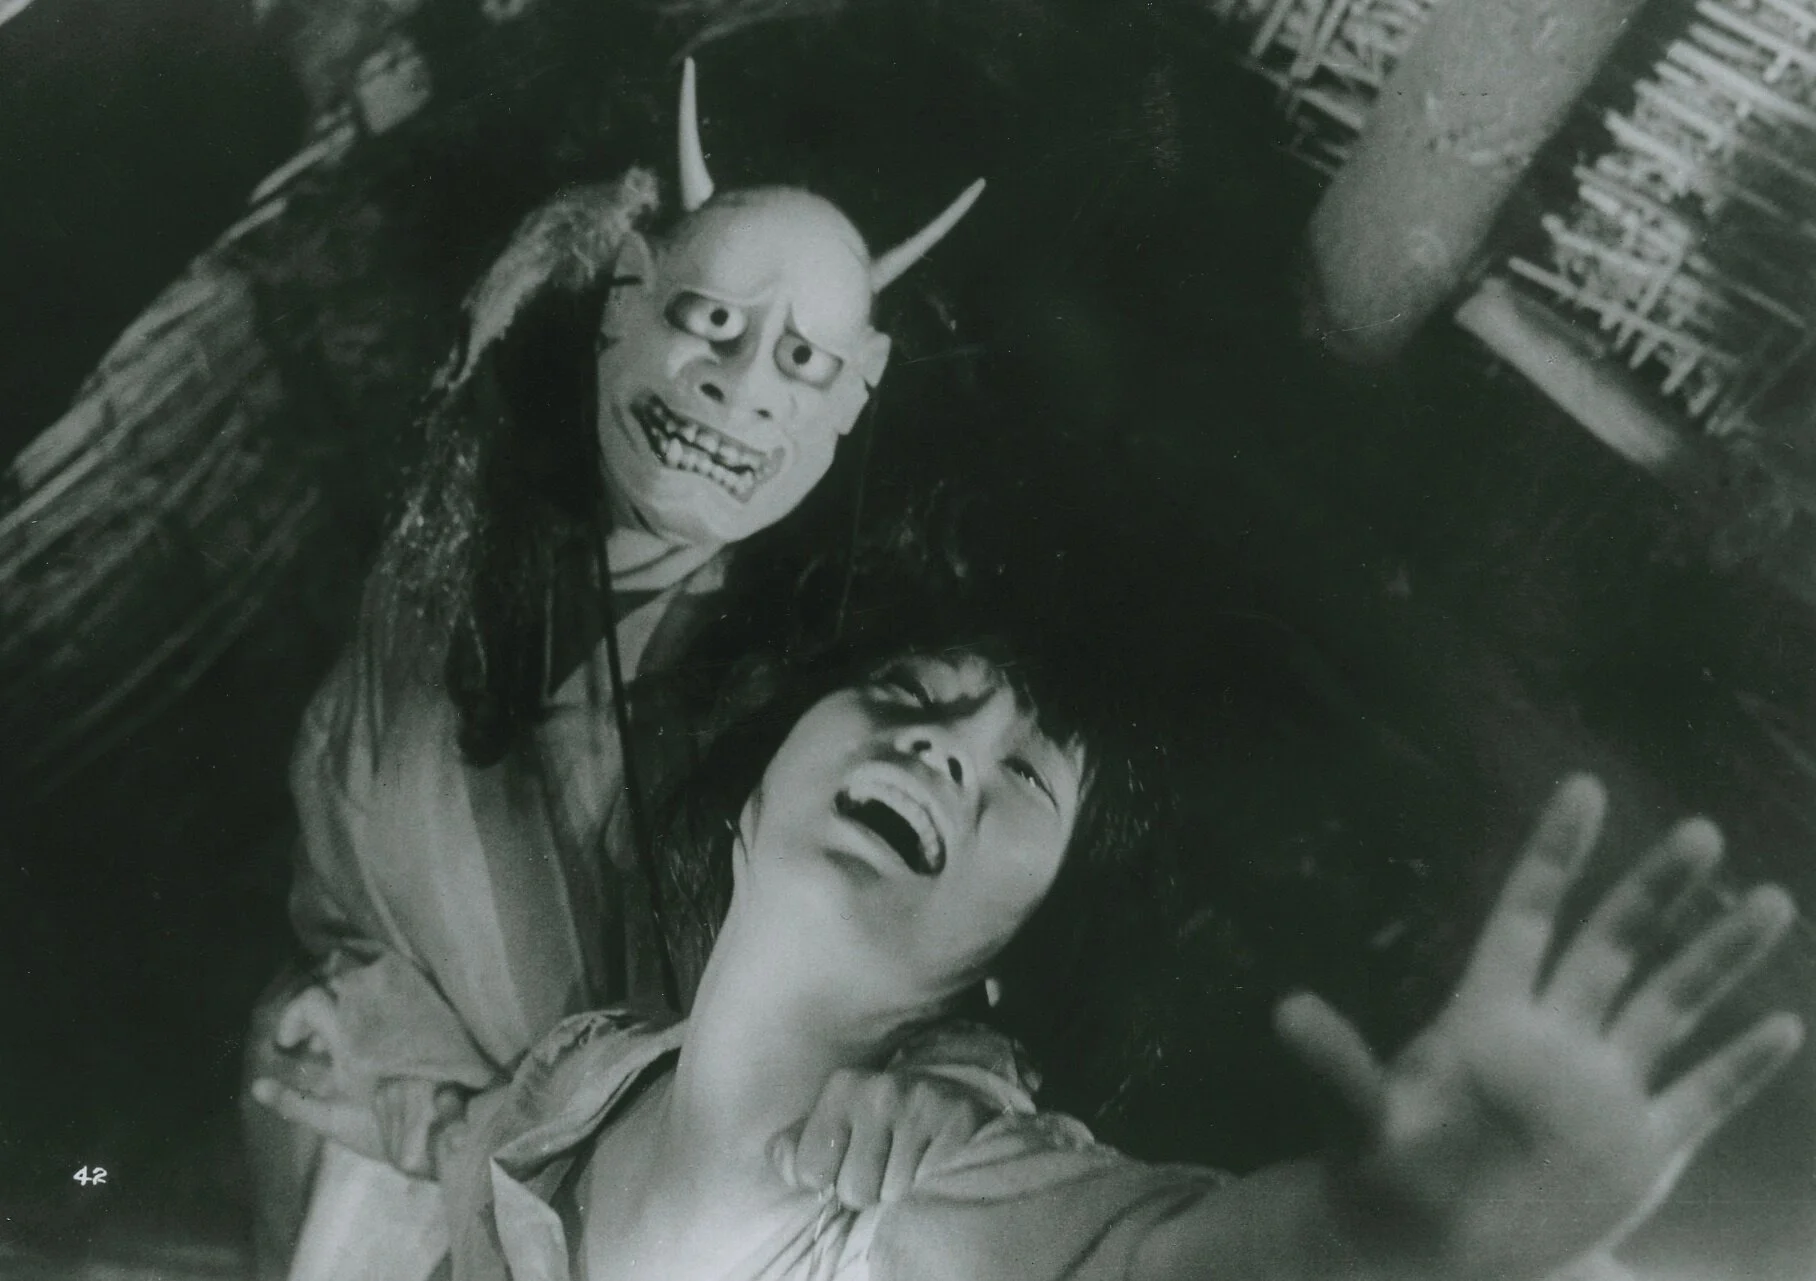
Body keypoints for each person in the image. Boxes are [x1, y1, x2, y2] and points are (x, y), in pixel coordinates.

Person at [255, 556, 1805, 1281]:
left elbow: (1158, 1262)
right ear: (749, 801)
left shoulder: (932, 1195)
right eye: (911, 694)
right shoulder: (588, 1071)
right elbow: (475, 1153)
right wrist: (371, 1084)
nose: (943, 748)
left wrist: (1397, 1230)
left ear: (998, 964)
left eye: (1021, 778)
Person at [242, 59, 1013, 1281]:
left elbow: (924, 1011)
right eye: (711, 322)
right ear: (620, 302)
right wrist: (378, 1037)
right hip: (412, 1145)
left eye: (804, 363)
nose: (740, 389)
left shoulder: (842, 691)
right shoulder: (437, 574)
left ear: (856, 397)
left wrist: (952, 1091)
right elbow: (348, 873)